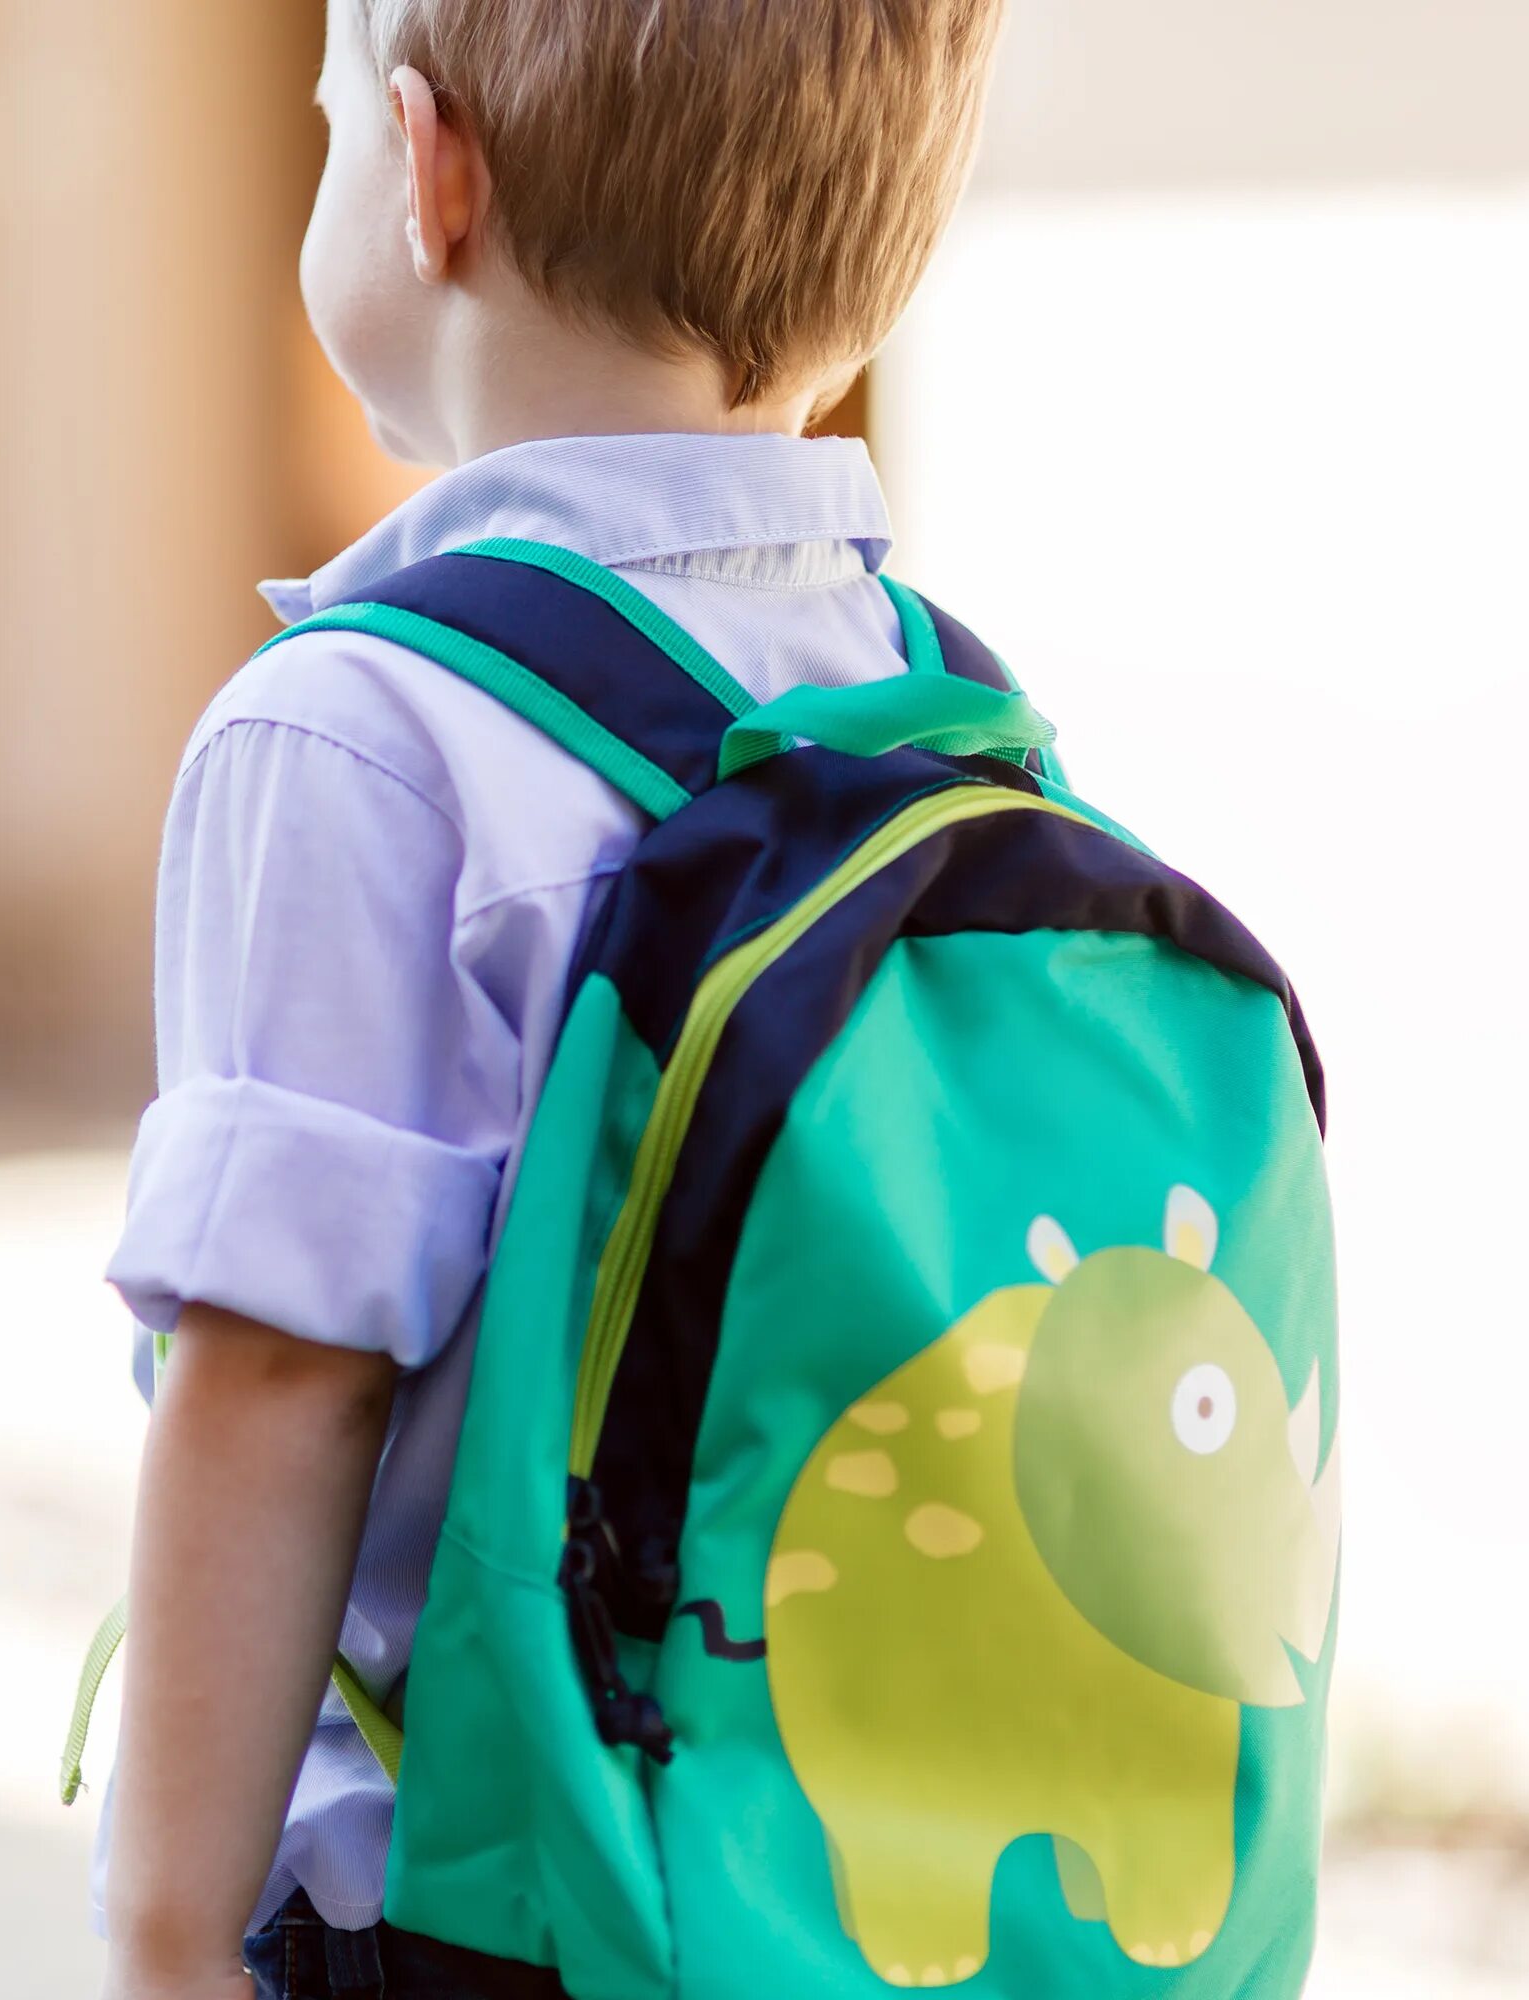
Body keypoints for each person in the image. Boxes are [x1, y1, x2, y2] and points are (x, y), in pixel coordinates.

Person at [97, 3, 1012, 1995]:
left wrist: (167, 1943)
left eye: (327, 121)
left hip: (486, 1914)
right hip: (854, 1898)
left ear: (428, 173)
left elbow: (282, 1383)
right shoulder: (941, 719)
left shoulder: (355, 736)